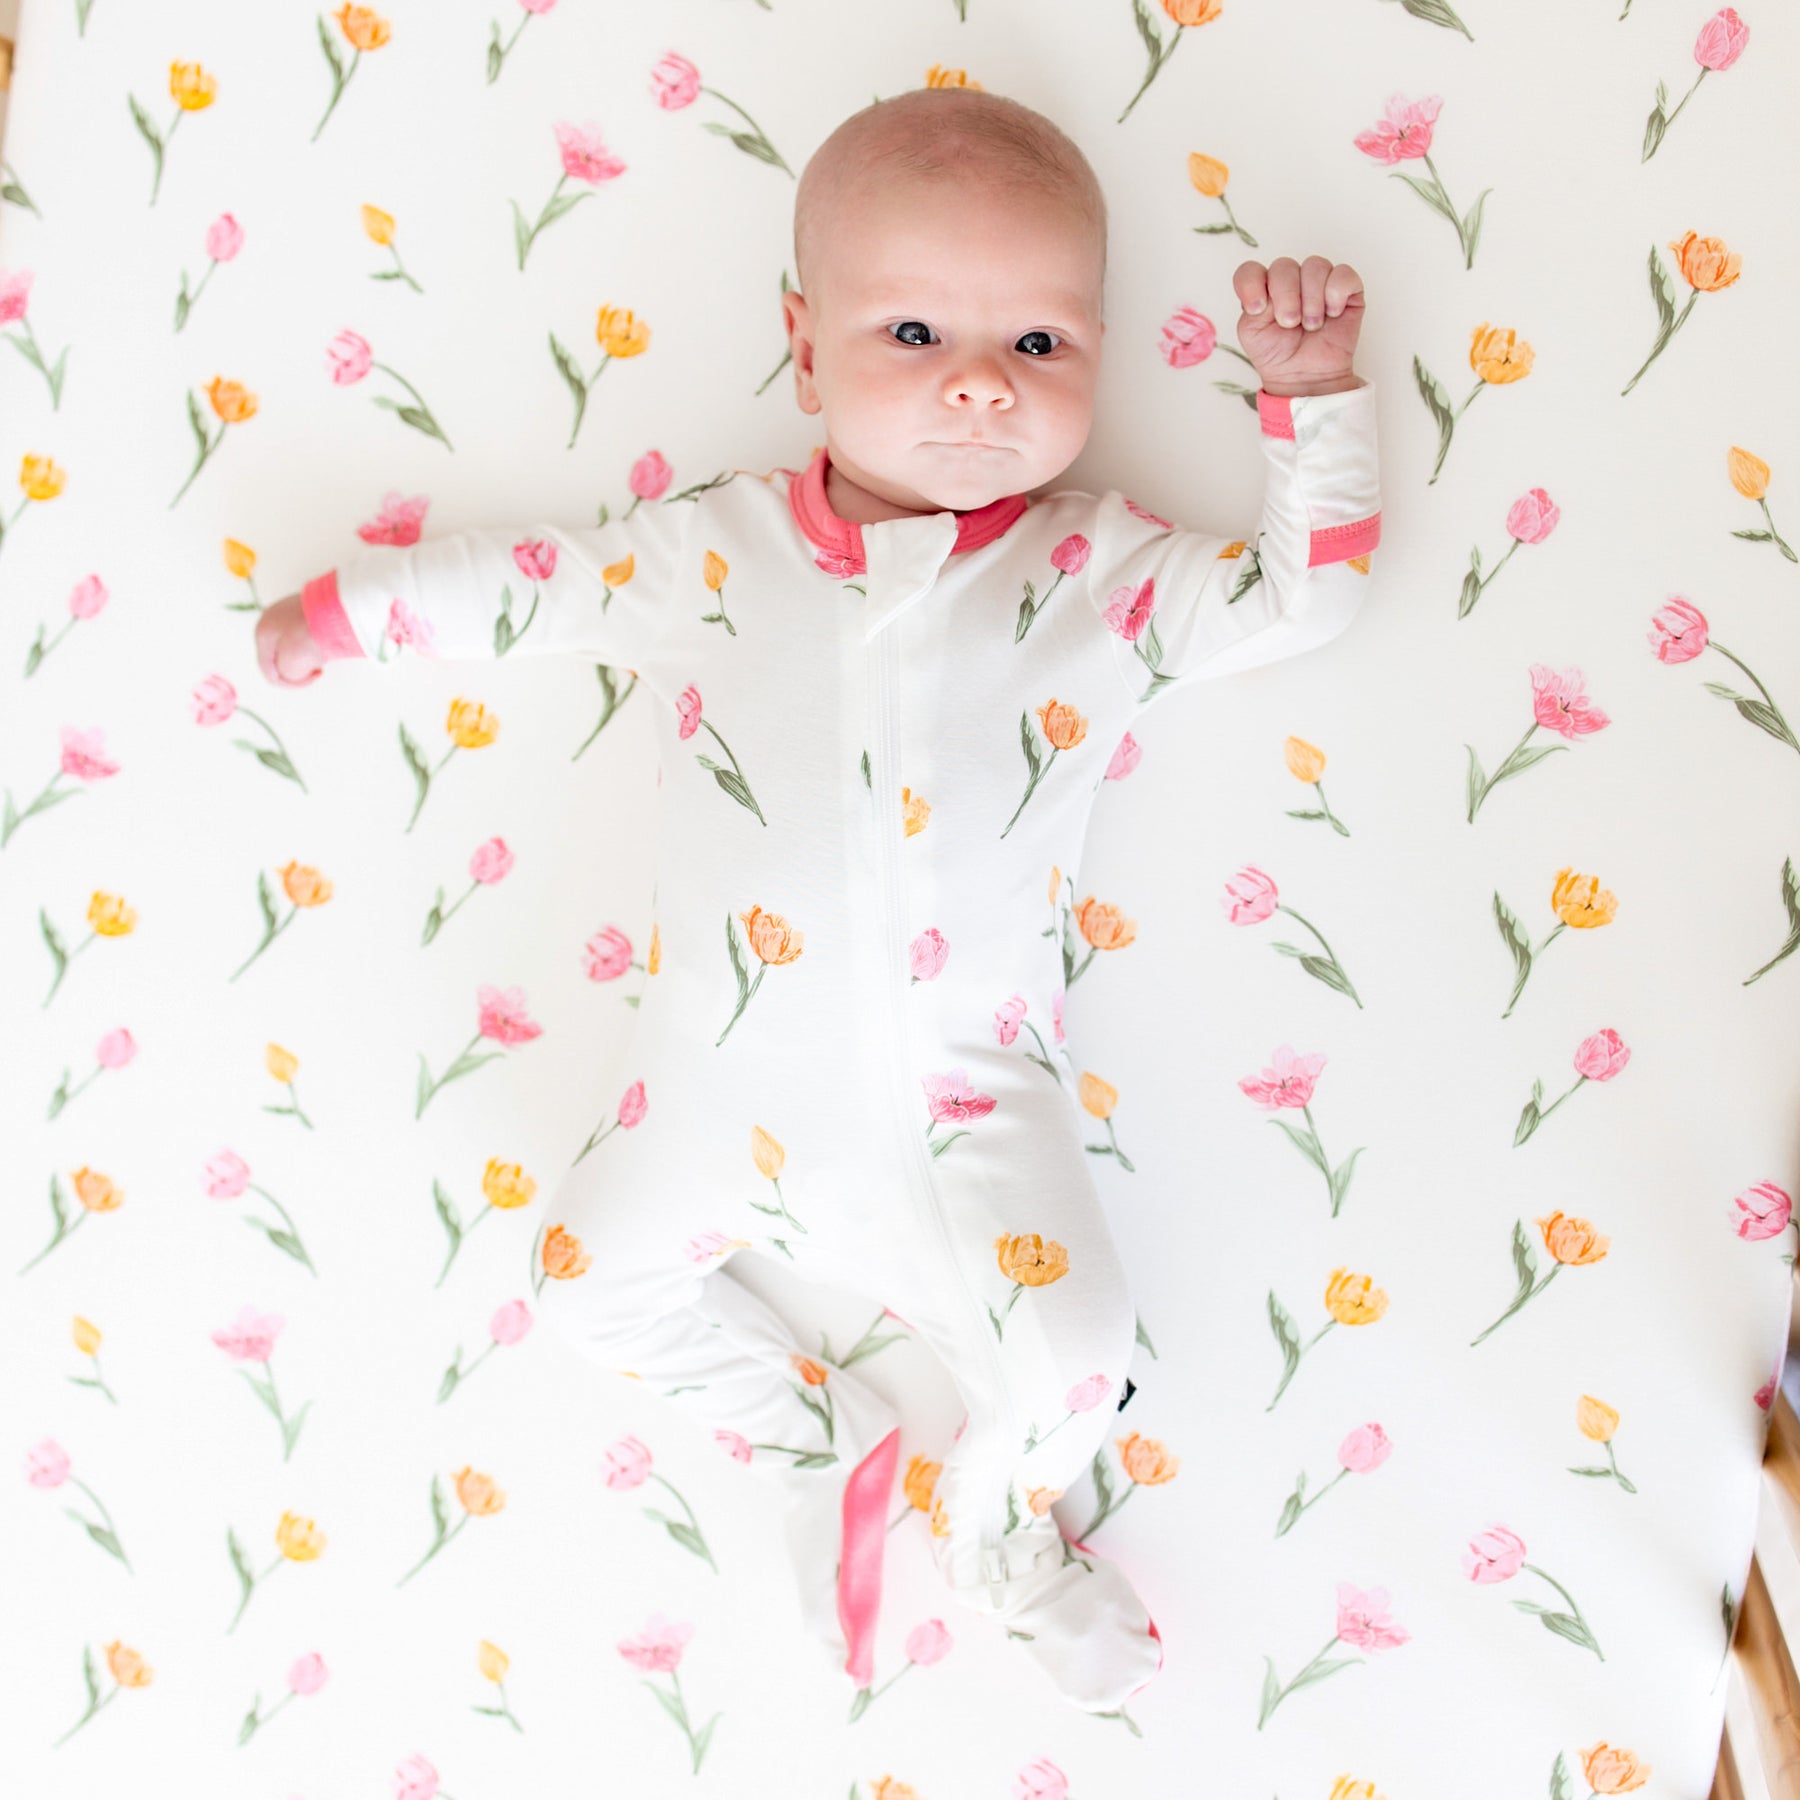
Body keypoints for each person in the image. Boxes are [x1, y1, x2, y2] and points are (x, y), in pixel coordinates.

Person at [255, 84, 1379, 1715]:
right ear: (803, 347)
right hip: (710, 1096)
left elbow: (1298, 601)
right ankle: (812, 1446)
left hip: (963, 1116)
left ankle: (1001, 1535)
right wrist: (354, 613)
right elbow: (535, 589)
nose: (981, 386)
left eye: (1042, 348)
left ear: (1105, 356)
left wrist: (1310, 398)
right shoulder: (709, 557)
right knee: (585, 1279)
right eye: (914, 330)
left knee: (1078, 1363)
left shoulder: (1097, 574)